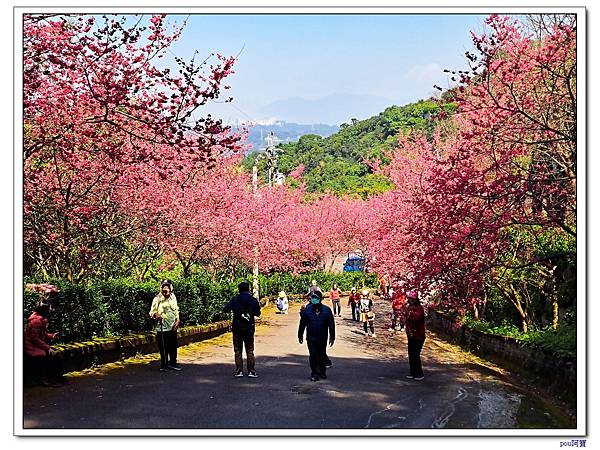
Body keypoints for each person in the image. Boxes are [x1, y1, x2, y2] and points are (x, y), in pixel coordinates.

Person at [223, 281, 261, 377]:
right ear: (248, 289)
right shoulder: (253, 300)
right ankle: (251, 371)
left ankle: (239, 370)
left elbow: (225, 309)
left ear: (239, 289)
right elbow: (258, 313)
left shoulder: (234, 300)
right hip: (249, 328)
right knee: (250, 350)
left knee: (238, 350)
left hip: (237, 328)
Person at [24, 301, 64, 387]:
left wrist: (52, 336)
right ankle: (46, 380)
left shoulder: (40, 320)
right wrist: (47, 348)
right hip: (31, 347)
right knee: (49, 357)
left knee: (56, 355)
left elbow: (42, 335)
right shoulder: (36, 321)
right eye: (49, 308)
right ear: (44, 310)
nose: (51, 309)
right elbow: (35, 339)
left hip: (35, 346)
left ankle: (57, 378)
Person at [298, 290, 335, 381]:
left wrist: (332, 337)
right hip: (311, 337)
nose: (314, 300)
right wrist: (300, 335)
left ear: (321, 299)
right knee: (313, 354)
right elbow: (302, 324)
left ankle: (322, 371)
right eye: (312, 298)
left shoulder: (327, 310)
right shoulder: (307, 310)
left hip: (323, 337)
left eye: (316, 298)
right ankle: (315, 373)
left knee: (322, 354)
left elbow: (331, 324)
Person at [149, 279, 181, 372]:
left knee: (173, 346)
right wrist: (156, 315)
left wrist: (178, 319)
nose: (165, 292)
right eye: (163, 289)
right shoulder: (157, 298)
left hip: (173, 326)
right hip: (162, 328)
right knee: (164, 348)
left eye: (167, 289)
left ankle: (173, 363)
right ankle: (164, 365)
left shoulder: (173, 297)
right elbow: (152, 312)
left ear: (171, 289)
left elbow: (176, 309)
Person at [405, 291, 426, 381]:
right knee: (411, 354)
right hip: (411, 334)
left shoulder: (419, 308)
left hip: (418, 335)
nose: (408, 300)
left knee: (415, 354)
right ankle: (412, 372)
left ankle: (419, 373)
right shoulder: (409, 307)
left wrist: (408, 315)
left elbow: (416, 320)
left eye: (410, 298)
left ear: (414, 299)